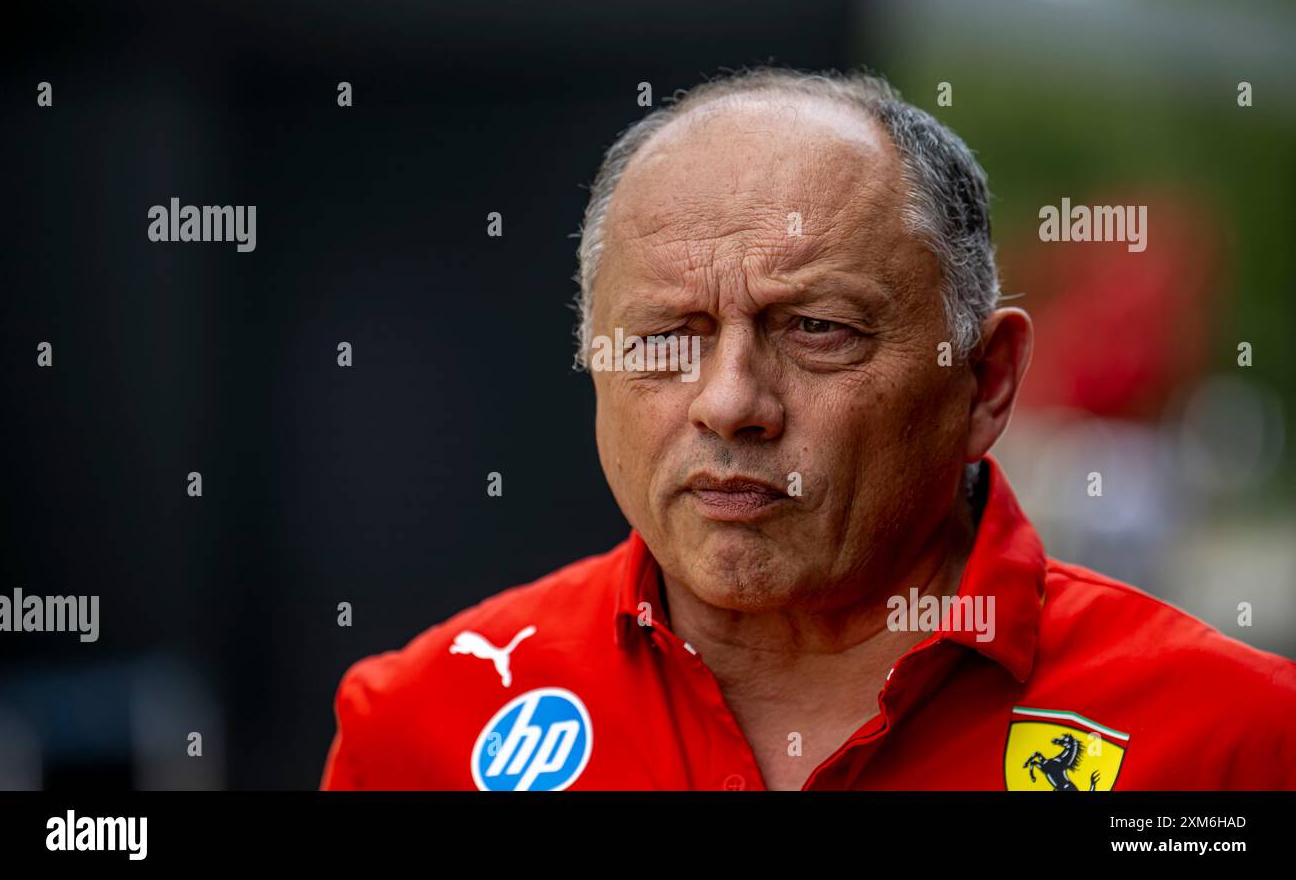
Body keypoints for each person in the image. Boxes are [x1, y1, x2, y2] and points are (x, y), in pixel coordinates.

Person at [320, 68, 1296, 790]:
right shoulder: (422, 724)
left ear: (985, 381)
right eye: (666, 337)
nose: (731, 400)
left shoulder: (1232, 741)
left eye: (818, 328)